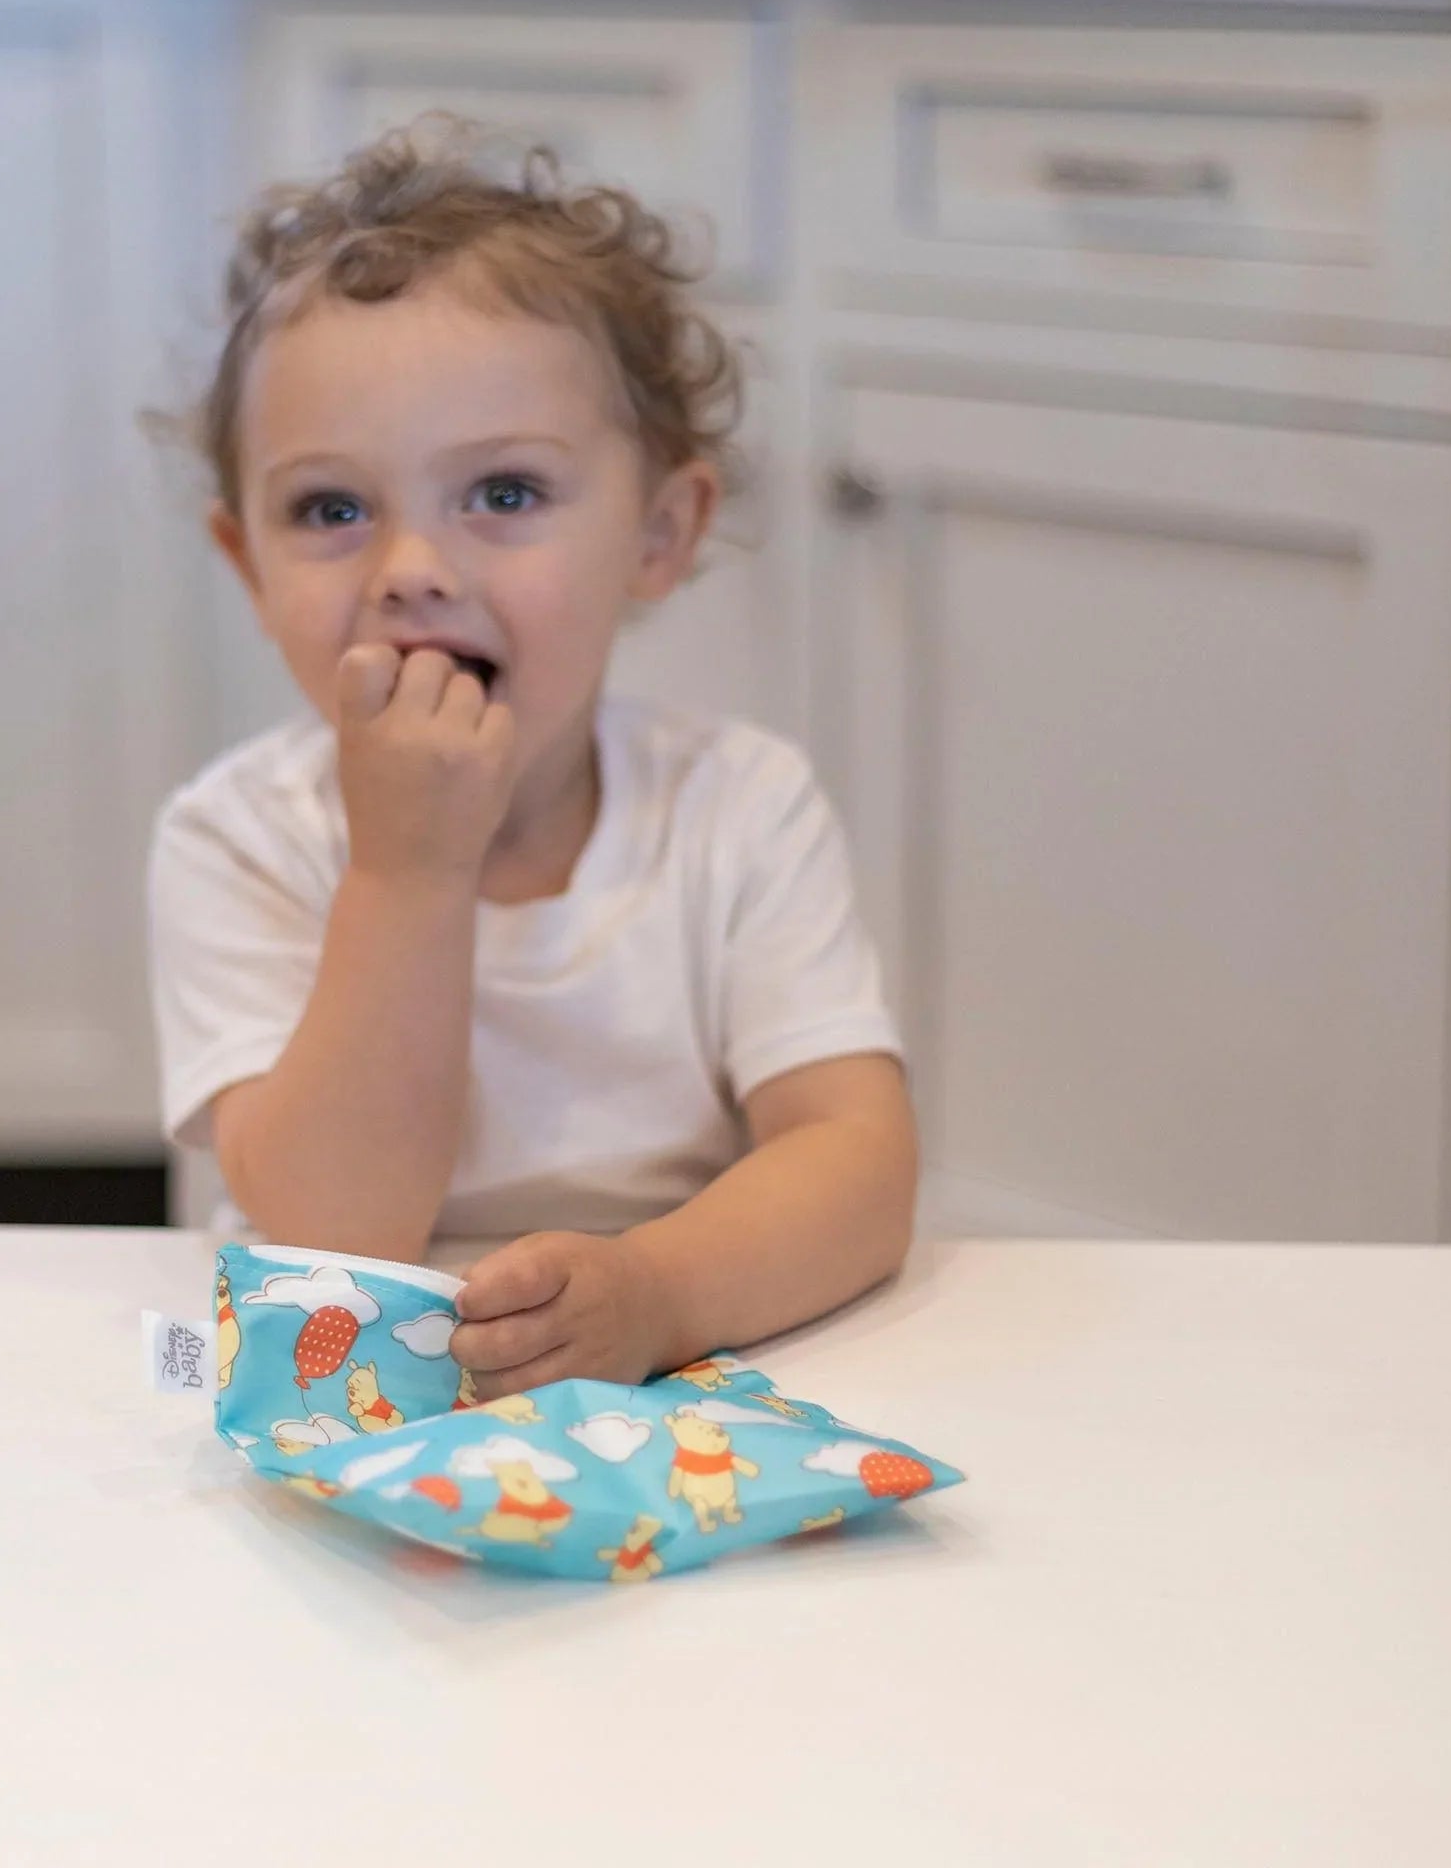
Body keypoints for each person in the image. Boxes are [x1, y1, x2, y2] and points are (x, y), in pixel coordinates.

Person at [148, 119, 918, 1397]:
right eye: (331, 510)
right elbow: (337, 1237)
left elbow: (856, 1162)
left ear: (658, 534)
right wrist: (406, 871)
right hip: (336, 1405)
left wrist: (658, 1293)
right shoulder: (239, 838)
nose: (410, 570)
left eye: (502, 492)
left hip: (670, 1363)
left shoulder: (738, 808)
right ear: (248, 565)